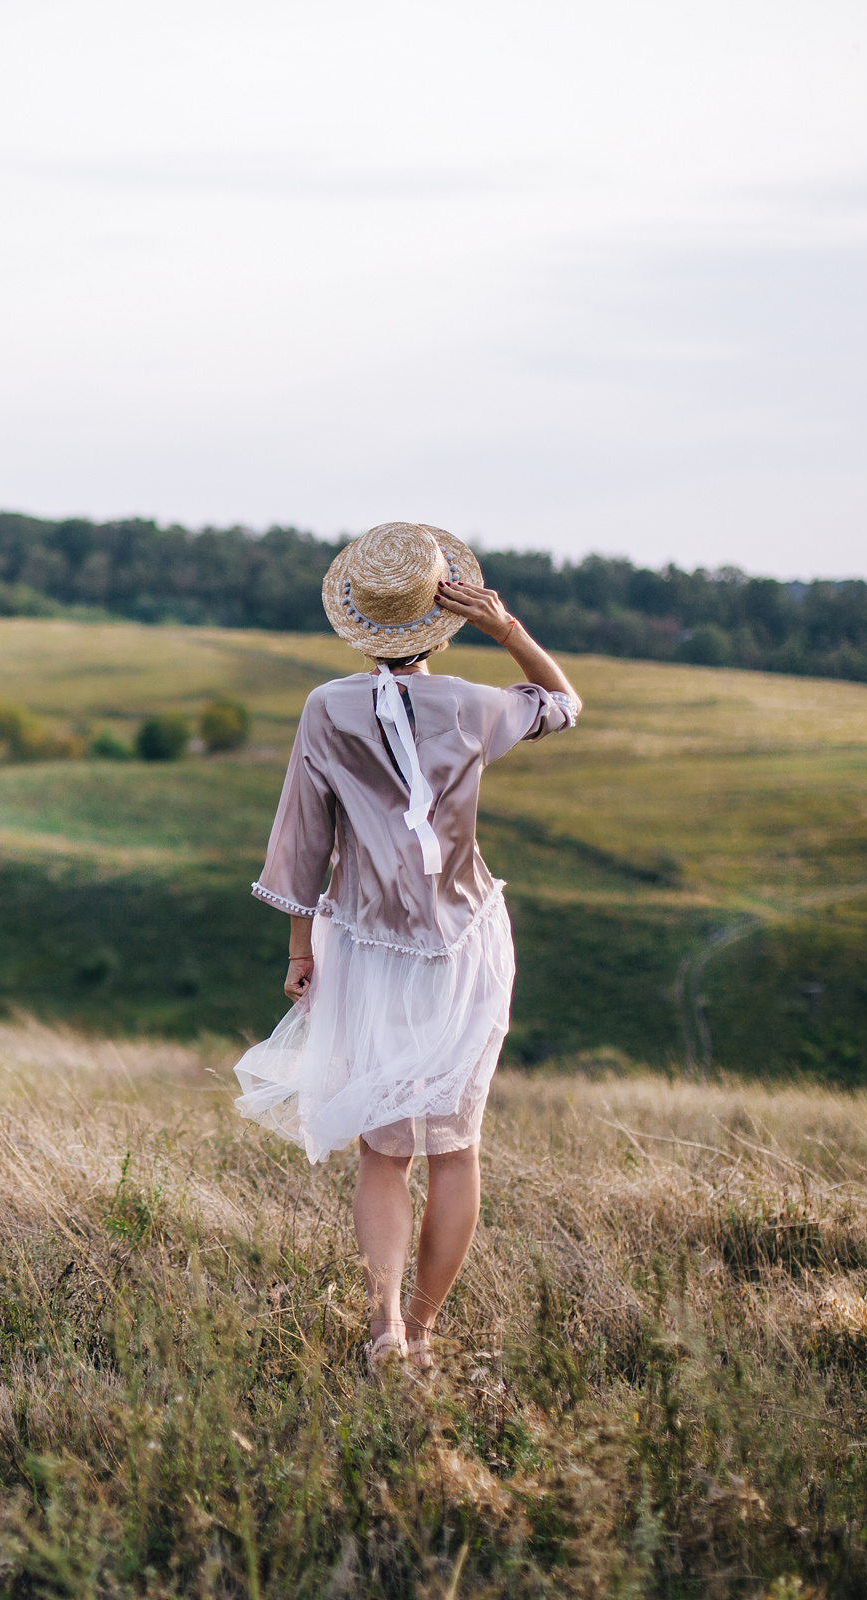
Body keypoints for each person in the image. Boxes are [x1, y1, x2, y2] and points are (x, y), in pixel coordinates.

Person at [233, 522, 580, 1373]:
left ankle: (385, 1328)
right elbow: (566, 704)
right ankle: (422, 1333)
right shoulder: (473, 702)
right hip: (466, 945)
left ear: (360, 622)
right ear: (442, 612)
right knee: (457, 1147)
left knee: (384, 1152)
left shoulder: (327, 707)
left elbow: (302, 840)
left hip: (369, 947)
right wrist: (510, 631)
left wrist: (297, 951)